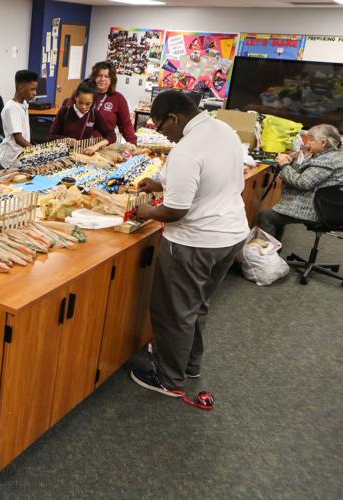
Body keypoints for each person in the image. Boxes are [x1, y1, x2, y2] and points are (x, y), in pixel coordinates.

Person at [131, 90, 249, 397]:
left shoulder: (186, 149)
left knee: (174, 310)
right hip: (231, 234)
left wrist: (147, 210)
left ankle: (169, 379)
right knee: (197, 304)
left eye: (159, 126)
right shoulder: (222, 130)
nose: (162, 134)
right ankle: (189, 363)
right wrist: (159, 181)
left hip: (195, 241)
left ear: (174, 118)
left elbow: (174, 210)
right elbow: (207, 173)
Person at [257, 124, 343, 241]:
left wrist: (284, 165)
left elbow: (303, 182)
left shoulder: (327, 161)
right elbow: (307, 173)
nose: (308, 143)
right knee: (277, 216)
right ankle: (274, 251)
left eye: (311, 140)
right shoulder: (332, 155)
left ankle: (265, 256)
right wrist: (292, 163)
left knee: (267, 216)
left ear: (323, 143)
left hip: (317, 209)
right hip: (327, 205)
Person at [65, 61, 137, 144]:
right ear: (94, 77)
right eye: (99, 75)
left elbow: (126, 125)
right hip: (77, 143)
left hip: (103, 146)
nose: (102, 79)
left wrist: (133, 144)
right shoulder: (80, 93)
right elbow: (67, 117)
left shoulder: (118, 99)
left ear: (112, 79)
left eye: (106, 76)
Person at [48, 79, 116, 155]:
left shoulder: (94, 114)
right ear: (75, 97)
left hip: (82, 154)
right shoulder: (64, 112)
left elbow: (111, 135)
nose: (83, 107)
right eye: (80, 102)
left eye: (88, 104)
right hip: (61, 153)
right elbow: (51, 136)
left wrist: (96, 146)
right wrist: (66, 140)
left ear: (93, 102)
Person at [0, 70, 38, 169]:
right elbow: (18, 138)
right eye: (32, 89)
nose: (35, 93)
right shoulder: (11, 108)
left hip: (19, 159)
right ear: (20, 87)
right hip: (8, 162)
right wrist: (36, 151)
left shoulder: (24, 104)